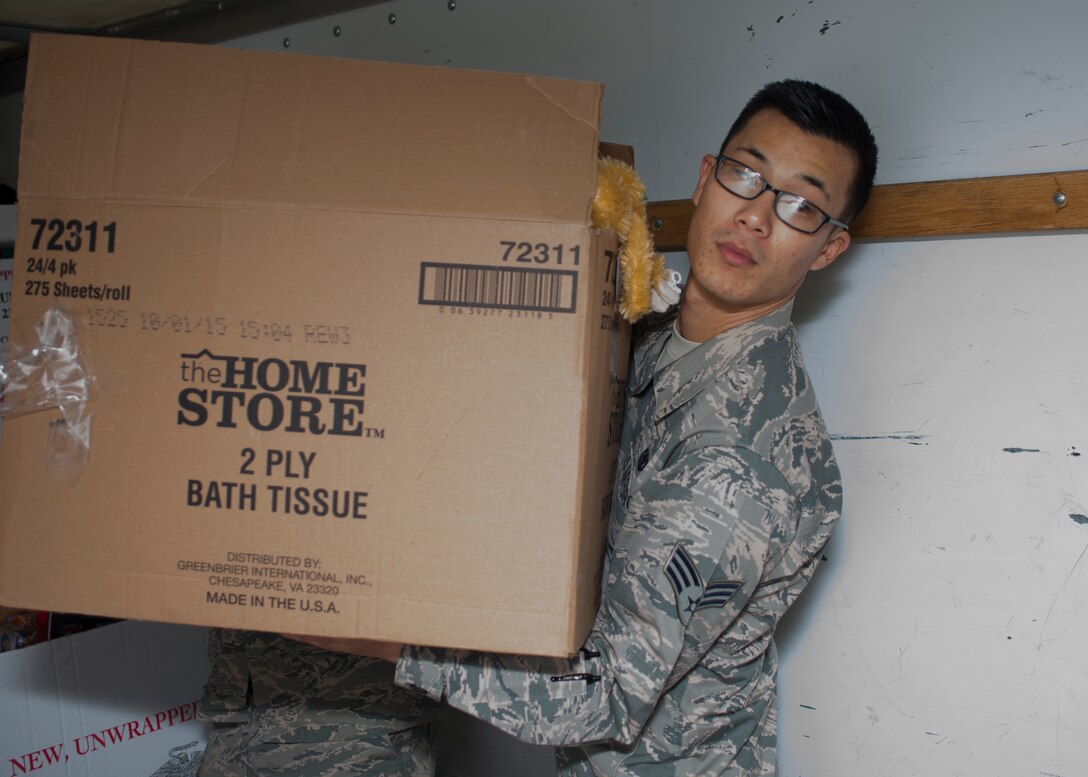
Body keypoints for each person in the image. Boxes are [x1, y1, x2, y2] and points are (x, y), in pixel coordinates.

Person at [198, 78, 877, 776]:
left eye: (801, 205)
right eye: (746, 174)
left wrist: (378, 639)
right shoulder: (646, 339)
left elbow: (605, 692)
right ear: (707, 179)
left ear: (827, 249)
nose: (757, 215)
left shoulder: (738, 458)